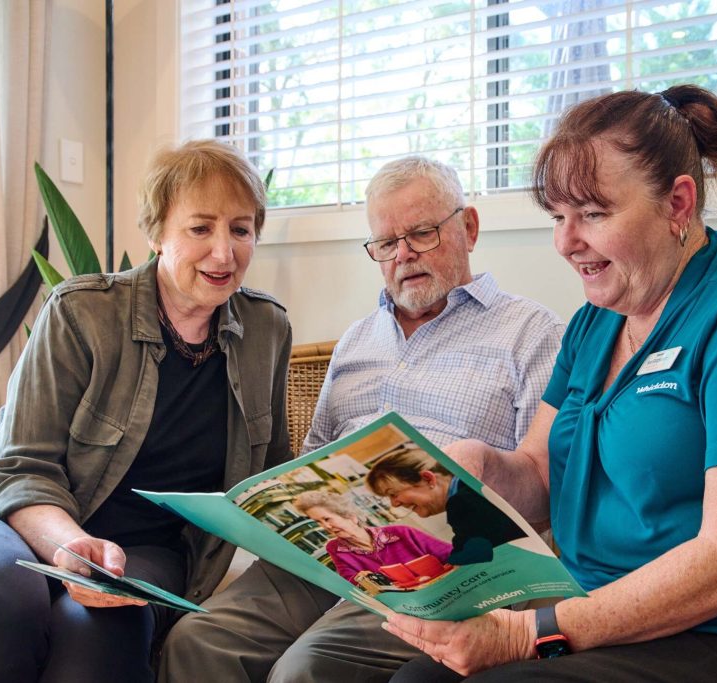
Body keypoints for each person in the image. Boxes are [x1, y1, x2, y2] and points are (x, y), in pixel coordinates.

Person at [382, 85, 717, 683]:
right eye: (559, 217)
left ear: (677, 204)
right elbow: (539, 475)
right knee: (420, 679)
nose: (566, 241)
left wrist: (530, 632)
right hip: (633, 632)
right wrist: (479, 467)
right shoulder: (594, 326)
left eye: (593, 214)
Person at [0, 140, 292, 682]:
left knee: (104, 631)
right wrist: (69, 545)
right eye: (200, 229)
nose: (224, 253)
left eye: (240, 230)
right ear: (157, 234)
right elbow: (19, 467)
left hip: (144, 543)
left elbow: (272, 473)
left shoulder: (267, 329)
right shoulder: (83, 312)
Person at [159, 155, 564, 682]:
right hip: (332, 549)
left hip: (439, 568)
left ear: (468, 227)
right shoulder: (356, 340)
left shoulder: (531, 333)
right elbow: (315, 453)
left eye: (421, 234)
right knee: (198, 641)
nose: (403, 256)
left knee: (305, 670)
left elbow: (546, 484)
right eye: (386, 244)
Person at [365, 446, 525, 565]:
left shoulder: (462, 501)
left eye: (393, 493)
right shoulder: (464, 494)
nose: (394, 503)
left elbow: (474, 556)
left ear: (428, 479)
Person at [292, 490, 453, 585]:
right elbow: (350, 580)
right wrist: (362, 580)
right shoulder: (335, 548)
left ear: (350, 516)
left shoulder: (401, 532)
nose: (325, 526)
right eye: (318, 522)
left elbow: (451, 554)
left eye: (327, 519)